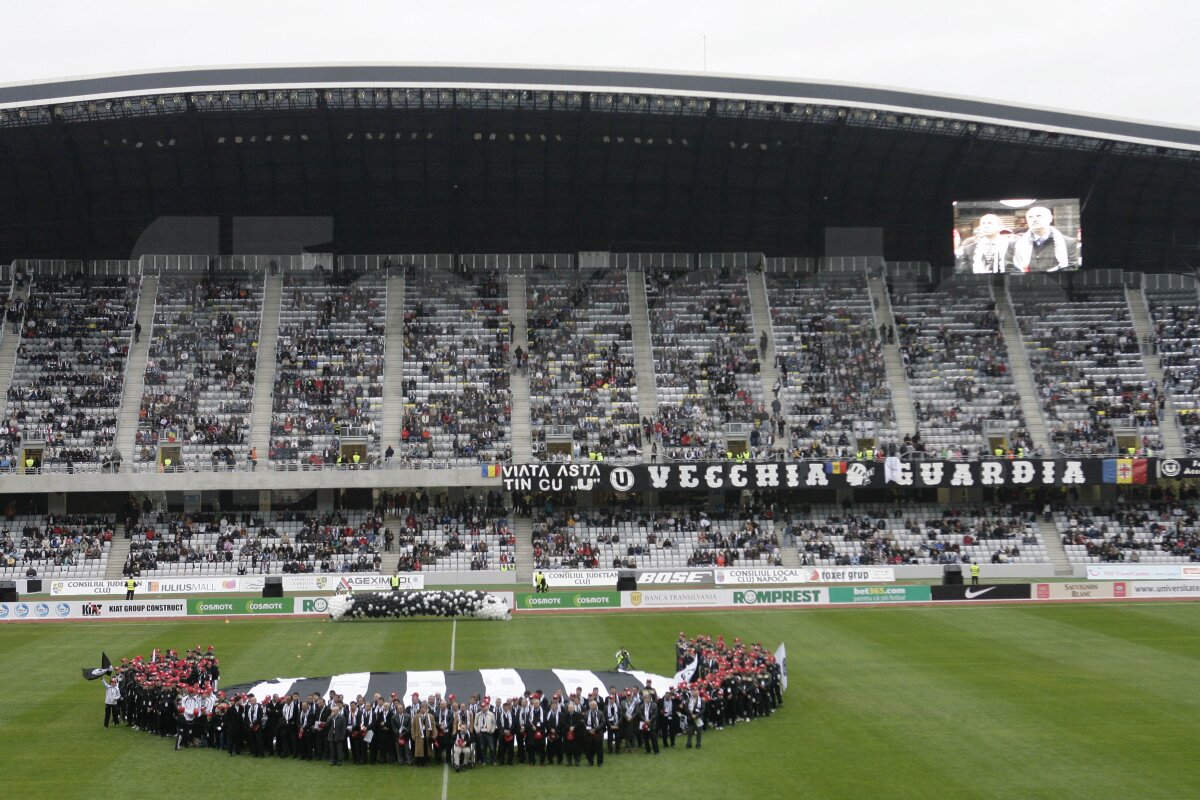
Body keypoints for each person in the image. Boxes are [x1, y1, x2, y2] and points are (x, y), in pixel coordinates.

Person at [1012, 206, 1080, 272]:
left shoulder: (1068, 242)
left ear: (1050, 219)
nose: (1034, 220)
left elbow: (1072, 268)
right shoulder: (1015, 244)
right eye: (1030, 217)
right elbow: (1010, 269)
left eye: (1039, 216)